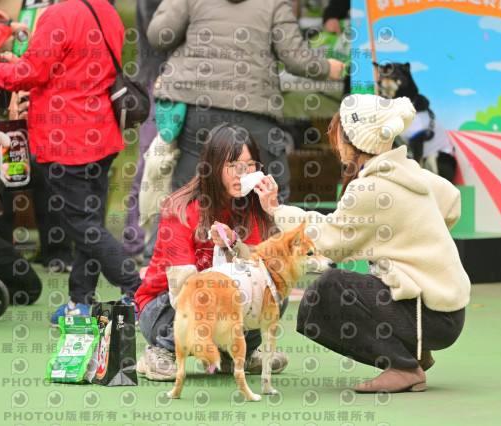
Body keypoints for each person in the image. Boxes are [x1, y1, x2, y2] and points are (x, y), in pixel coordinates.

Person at [255, 94, 471, 393]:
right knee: (360, 284)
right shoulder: (410, 171)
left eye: (339, 133)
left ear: (355, 139)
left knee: (328, 289)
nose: (335, 141)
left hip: (428, 316)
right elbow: (451, 202)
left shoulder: (371, 188)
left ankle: (403, 367)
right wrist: (416, 243)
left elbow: (329, 242)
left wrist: (276, 211)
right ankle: (416, 353)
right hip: (448, 312)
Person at [0, 0, 141, 326]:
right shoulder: (107, 11)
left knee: (82, 226)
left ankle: (137, 289)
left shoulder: (58, 14)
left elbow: (32, 73)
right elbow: (69, 67)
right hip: (101, 133)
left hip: (66, 138)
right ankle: (80, 301)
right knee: (89, 223)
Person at [146, 0, 345, 205]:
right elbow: (295, 58)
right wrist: (326, 67)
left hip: (196, 105)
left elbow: (159, 35)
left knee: (189, 194)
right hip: (253, 110)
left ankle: (188, 225)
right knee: (270, 193)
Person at [134, 122, 290, 381]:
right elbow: (181, 290)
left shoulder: (252, 206)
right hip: (164, 309)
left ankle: (236, 354)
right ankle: (162, 351)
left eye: (250, 165)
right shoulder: (180, 209)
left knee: (273, 289)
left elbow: (263, 271)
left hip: (221, 306)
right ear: (212, 167)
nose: (243, 174)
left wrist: (268, 214)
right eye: (233, 166)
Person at [121, 0, 170, 262]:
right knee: (148, 163)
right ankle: (135, 242)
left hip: (180, 83)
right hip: (157, 80)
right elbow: (160, 35)